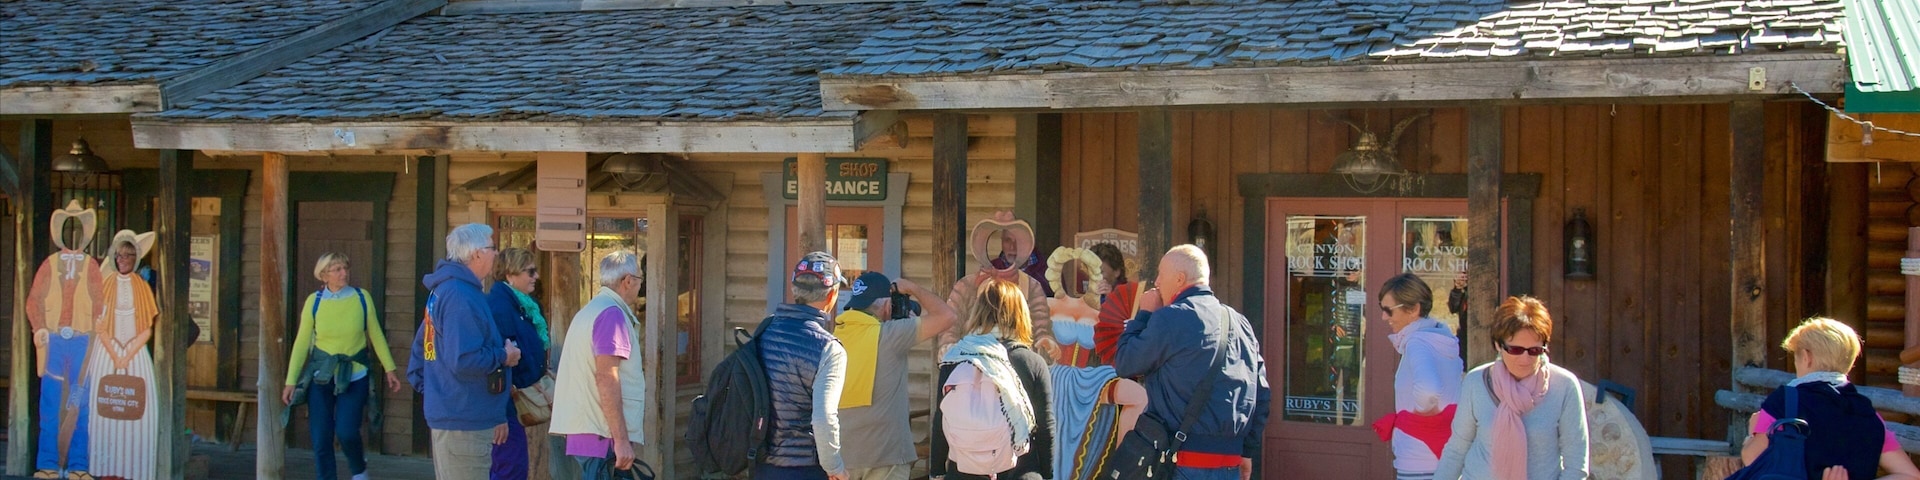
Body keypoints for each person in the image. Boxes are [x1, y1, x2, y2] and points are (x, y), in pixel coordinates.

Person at [1113, 244, 1270, 480]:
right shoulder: (1240, 323)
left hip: (1179, 460)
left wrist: (1144, 314)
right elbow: (1261, 393)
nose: (1156, 281)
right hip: (1229, 463)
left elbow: (1125, 363)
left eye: (1160, 274)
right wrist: (1247, 451)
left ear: (1179, 279)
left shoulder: (1170, 317)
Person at [1739, 318, 1920, 480]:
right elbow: (1910, 475)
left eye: (1796, 357)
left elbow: (1751, 459)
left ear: (1806, 357)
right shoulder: (1868, 415)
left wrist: (1751, 433)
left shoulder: (1785, 401)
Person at [409, 223, 521, 478]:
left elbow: (420, 353)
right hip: (463, 420)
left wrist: (441, 394)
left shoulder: (447, 290)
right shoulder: (460, 296)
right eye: (493, 248)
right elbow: (464, 359)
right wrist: (506, 356)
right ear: (476, 254)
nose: (496, 254)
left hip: (458, 414)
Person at [1434, 296, 1588, 480]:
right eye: (1515, 350)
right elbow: (1457, 448)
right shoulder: (1476, 382)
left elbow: (1576, 463)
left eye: (1534, 351)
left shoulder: (1564, 386)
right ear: (1498, 345)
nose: (1525, 359)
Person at [283, 253, 402, 480]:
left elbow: (375, 333)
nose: (343, 273)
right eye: (337, 269)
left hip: (354, 375)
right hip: (321, 378)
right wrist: (291, 381)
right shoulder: (314, 302)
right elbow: (301, 343)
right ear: (324, 274)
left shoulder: (361, 297)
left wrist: (390, 368)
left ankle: (359, 470)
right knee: (320, 439)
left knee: (347, 432)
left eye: (345, 268)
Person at [832, 271, 957, 480]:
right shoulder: (891, 335)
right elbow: (948, 316)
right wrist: (912, 288)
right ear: (887, 305)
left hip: (843, 458)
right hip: (886, 456)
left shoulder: (834, 337)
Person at [932, 278, 1053, 480]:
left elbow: (941, 420)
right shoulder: (1032, 363)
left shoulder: (955, 358)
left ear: (978, 312)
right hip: (1020, 472)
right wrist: (1048, 475)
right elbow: (1046, 429)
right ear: (1020, 314)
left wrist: (936, 472)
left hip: (963, 472)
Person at [550, 250, 648, 479]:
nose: (640, 287)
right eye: (640, 280)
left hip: (589, 433)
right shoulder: (611, 315)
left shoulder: (591, 310)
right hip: (602, 436)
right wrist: (622, 440)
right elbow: (606, 377)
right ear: (628, 281)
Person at [757, 252, 850, 480]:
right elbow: (823, 417)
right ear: (832, 295)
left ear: (795, 290)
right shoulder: (829, 348)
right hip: (805, 467)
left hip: (761, 463)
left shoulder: (763, 332)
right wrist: (835, 467)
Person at [1370, 273, 1463, 480]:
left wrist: (1418, 418)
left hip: (1417, 457)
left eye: (1388, 310)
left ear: (1413, 309)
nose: (1384, 317)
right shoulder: (1441, 340)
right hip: (1444, 452)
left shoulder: (1417, 343)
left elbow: (1429, 389)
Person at [87, 230, 161, 480]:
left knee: (137, 412)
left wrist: (128, 355)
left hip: (135, 352)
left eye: (129, 255)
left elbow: (147, 328)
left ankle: (134, 471)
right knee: (106, 411)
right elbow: (99, 324)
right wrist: (114, 353)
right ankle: (105, 470)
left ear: (136, 258)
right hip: (108, 352)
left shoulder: (141, 286)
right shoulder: (106, 284)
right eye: (120, 255)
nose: (123, 259)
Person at [487, 247, 551, 480]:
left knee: (513, 467)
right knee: (510, 469)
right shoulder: (501, 308)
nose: (536, 276)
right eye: (530, 271)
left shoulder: (522, 305)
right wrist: (499, 415)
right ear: (510, 275)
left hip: (515, 402)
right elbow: (496, 366)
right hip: (505, 404)